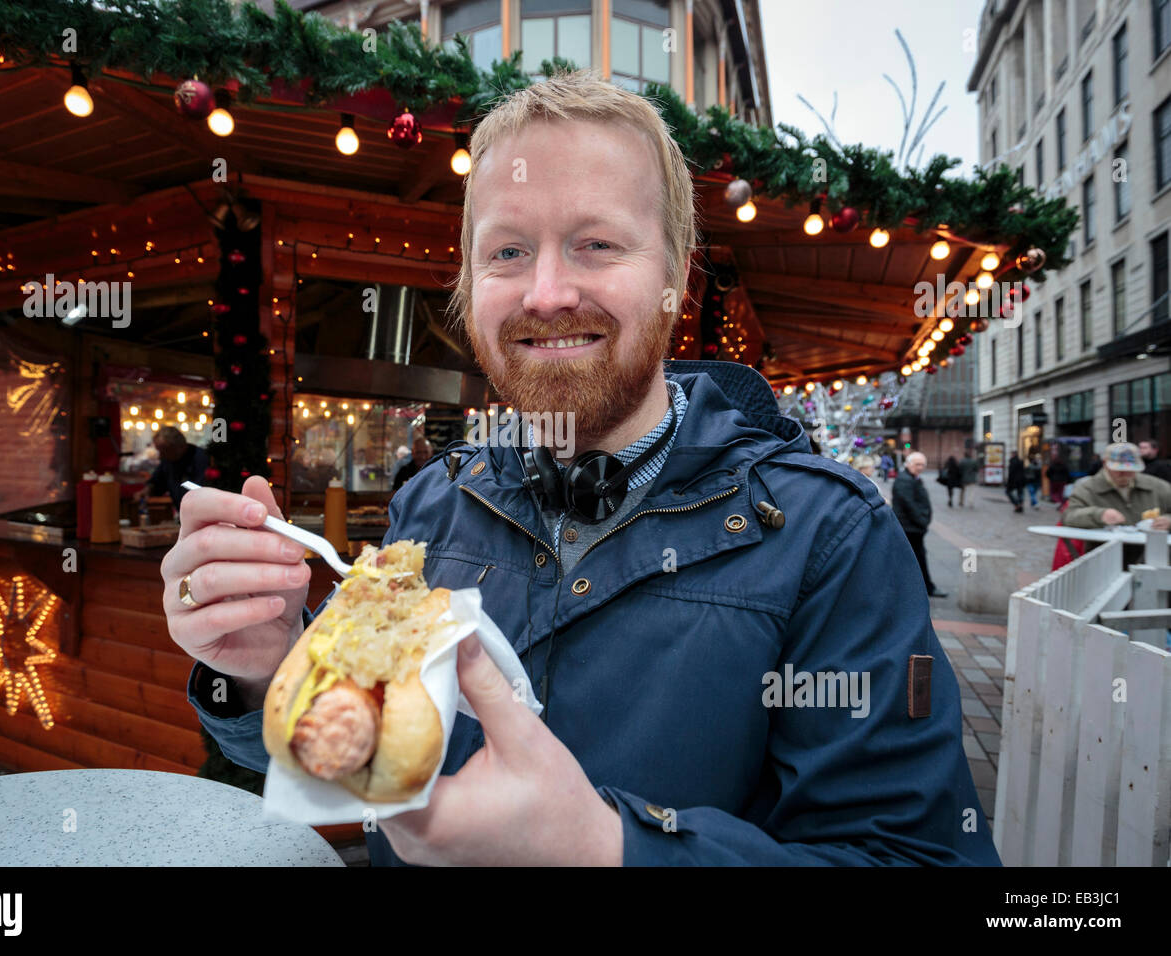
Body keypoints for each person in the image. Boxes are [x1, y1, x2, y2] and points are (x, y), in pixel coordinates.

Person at [163, 70, 996, 866]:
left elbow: (914, 856)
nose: (548, 292)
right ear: (467, 287)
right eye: (509, 253)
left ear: (675, 277)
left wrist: (611, 851)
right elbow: (352, 760)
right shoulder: (428, 509)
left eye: (596, 244)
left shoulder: (830, 538)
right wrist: (264, 665)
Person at [1063, 442, 1171, 529]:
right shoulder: (1087, 488)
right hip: (1105, 551)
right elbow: (1069, 517)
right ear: (1105, 464)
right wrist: (1098, 515)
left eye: (1130, 470)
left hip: (1154, 552)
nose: (1125, 474)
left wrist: (1169, 521)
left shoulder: (1158, 486)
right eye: (1119, 470)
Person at [891, 452, 947, 598]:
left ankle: (920, 588)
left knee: (914, 559)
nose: (920, 467)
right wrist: (922, 521)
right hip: (910, 527)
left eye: (922, 464)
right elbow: (909, 504)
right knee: (917, 559)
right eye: (917, 464)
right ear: (908, 464)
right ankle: (926, 588)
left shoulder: (911, 478)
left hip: (913, 527)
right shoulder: (905, 480)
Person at [133, 425, 208, 508]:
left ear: (180, 447)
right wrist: (147, 491)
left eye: (164, 451)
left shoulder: (202, 459)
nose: (160, 456)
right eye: (159, 451)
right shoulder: (167, 461)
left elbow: (204, 492)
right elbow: (156, 483)